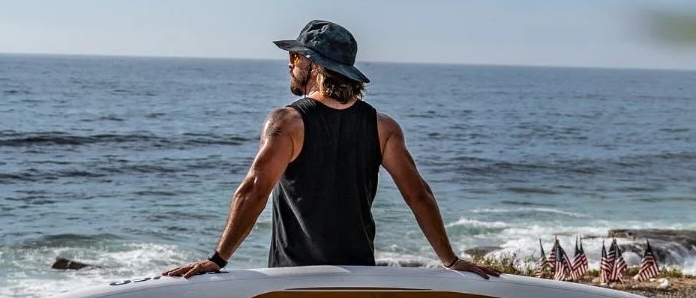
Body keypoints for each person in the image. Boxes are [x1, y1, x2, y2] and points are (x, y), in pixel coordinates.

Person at [163, 19, 499, 280]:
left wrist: (217, 259)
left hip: (292, 279)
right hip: (358, 276)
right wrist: (450, 260)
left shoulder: (287, 123)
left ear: (313, 64)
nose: (289, 64)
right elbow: (419, 194)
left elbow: (254, 189)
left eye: (295, 56)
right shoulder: (383, 127)